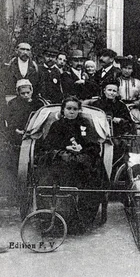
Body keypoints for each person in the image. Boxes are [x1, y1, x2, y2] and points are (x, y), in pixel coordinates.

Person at [37, 96, 106, 234]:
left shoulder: (85, 123)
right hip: (63, 158)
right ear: (63, 110)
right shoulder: (57, 125)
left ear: (79, 110)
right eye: (68, 109)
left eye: (75, 109)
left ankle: (82, 219)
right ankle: (55, 215)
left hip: (82, 159)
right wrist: (66, 148)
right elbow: (48, 145)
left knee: (90, 173)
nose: (72, 112)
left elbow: (94, 144)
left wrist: (82, 148)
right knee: (54, 172)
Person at [6, 79, 44, 145]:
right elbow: (10, 120)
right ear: (18, 93)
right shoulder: (12, 103)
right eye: (22, 93)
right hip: (19, 132)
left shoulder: (38, 103)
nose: (26, 95)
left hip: (35, 132)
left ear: (31, 91)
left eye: (28, 92)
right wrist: (17, 130)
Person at [116, 56, 140, 127]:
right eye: (124, 68)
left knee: (136, 128)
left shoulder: (137, 83)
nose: (127, 71)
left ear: (132, 70)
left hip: (133, 109)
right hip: (119, 110)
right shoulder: (116, 81)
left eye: (129, 68)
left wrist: (135, 104)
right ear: (121, 69)